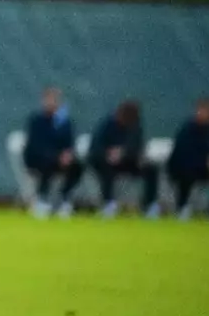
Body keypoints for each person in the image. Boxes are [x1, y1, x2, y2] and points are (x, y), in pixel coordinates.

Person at [87, 100, 159, 218]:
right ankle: (108, 203)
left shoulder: (135, 126)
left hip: (128, 161)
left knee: (151, 169)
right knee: (106, 170)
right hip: (106, 162)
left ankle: (149, 205)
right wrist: (108, 154)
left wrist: (124, 153)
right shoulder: (107, 124)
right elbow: (95, 147)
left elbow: (137, 146)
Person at [23, 86, 83, 218]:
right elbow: (35, 145)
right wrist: (56, 156)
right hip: (37, 158)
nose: (50, 103)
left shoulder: (64, 122)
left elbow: (69, 143)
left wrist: (67, 155)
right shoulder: (36, 121)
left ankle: (64, 199)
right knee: (48, 163)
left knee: (77, 166)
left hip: (61, 159)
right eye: (48, 100)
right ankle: (42, 200)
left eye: (54, 100)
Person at [167, 97, 209, 220]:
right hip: (185, 166)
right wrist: (207, 163)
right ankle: (182, 206)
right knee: (186, 173)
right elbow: (181, 153)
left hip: (207, 168)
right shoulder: (187, 129)